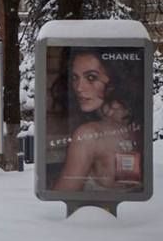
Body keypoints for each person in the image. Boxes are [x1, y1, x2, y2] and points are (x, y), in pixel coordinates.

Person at [51, 48, 143, 192]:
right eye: (75, 78)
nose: (79, 88)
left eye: (91, 77)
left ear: (114, 79)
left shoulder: (88, 135)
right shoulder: (136, 123)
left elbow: (60, 199)